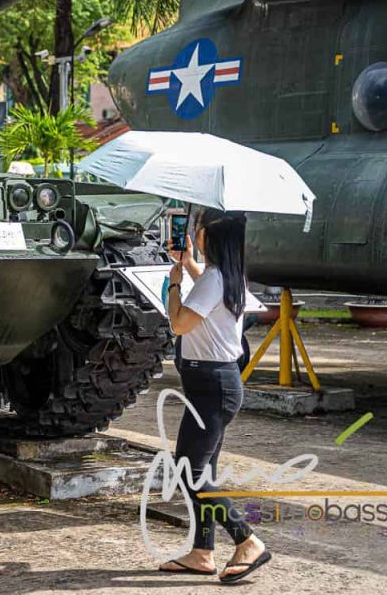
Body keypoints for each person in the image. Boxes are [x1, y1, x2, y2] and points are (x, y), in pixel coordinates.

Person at [156, 208, 272, 584]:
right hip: (216, 385)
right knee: (201, 470)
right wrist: (188, 265)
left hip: (211, 388)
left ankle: (247, 539)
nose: (195, 233)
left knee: (189, 473)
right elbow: (209, 293)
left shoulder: (213, 280)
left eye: (199, 229)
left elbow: (179, 323)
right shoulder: (229, 277)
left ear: (209, 236)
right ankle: (202, 552)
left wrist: (173, 284)